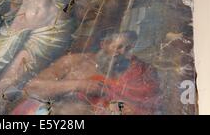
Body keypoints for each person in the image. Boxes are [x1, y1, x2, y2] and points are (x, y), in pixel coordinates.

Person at [11, 31, 161, 115]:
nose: (122, 53)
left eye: (128, 49)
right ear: (104, 45)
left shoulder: (137, 72)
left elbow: (143, 106)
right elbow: (31, 89)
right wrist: (78, 85)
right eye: (119, 47)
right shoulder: (73, 62)